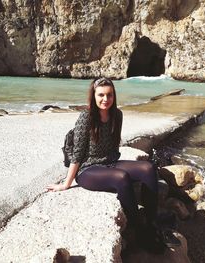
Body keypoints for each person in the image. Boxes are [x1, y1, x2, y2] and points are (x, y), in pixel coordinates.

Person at [46, 77, 165, 252]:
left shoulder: (117, 115)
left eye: (109, 95)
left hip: (110, 163)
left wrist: (116, 163)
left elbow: (114, 146)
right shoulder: (86, 117)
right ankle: (139, 231)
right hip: (88, 170)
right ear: (93, 96)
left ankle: (151, 223)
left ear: (114, 96)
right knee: (121, 177)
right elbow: (77, 154)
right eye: (101, 95)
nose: (105, 99)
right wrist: (66, 184)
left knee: (148, 168)